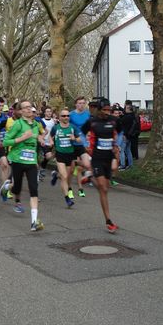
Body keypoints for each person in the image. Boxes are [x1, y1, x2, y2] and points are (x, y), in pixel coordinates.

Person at [2, 100, 45, 231]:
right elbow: (5, 142)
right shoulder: (17, 125)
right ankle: (7, 187)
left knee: (34, 189)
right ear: (20, 111)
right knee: (17, 188)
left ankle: (34, 222)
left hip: (31, 161)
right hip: (18, 160)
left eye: (29, 107)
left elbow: (39, 135)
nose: (28, 109)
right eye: (25, 108)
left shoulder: (36, 125)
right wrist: (22, 138)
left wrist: (40, 139)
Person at [86, 98, 120, 233]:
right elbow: (83, 135)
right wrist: (88, 149)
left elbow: (116, 136)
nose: (107, 112)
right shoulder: (92, 122)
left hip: (108, 156)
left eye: (109, 110)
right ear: (99, 110)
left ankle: (89, 178)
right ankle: (108, 220)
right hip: (97, 158)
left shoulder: (112, 121)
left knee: (105, 188)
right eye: (104, 110)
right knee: (103, 188)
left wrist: (116, 148)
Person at [49, 108, 81, 208]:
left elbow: (80, 139)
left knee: (65, 176)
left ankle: (55, 175)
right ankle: (67, 199)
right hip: (60, 154)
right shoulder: (56, 128)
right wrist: (51, 142)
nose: (66, 117)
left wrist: (74, 139)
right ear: (59, 118)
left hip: (70, 154)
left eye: (67, 116)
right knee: (65, 176)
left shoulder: (73, 127)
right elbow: (51, 136)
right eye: (63, 116)